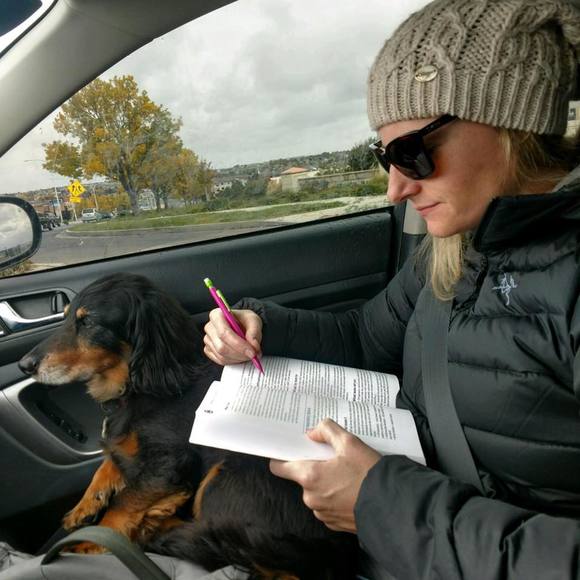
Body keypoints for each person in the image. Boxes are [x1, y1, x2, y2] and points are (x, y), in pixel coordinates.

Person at [203, 0, 580, 577]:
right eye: (385, 156)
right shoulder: (456, 249)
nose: (395, 189)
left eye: (412, 153)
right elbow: (364, 337)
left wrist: (385, 507)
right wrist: (259, 325)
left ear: (510, 123)